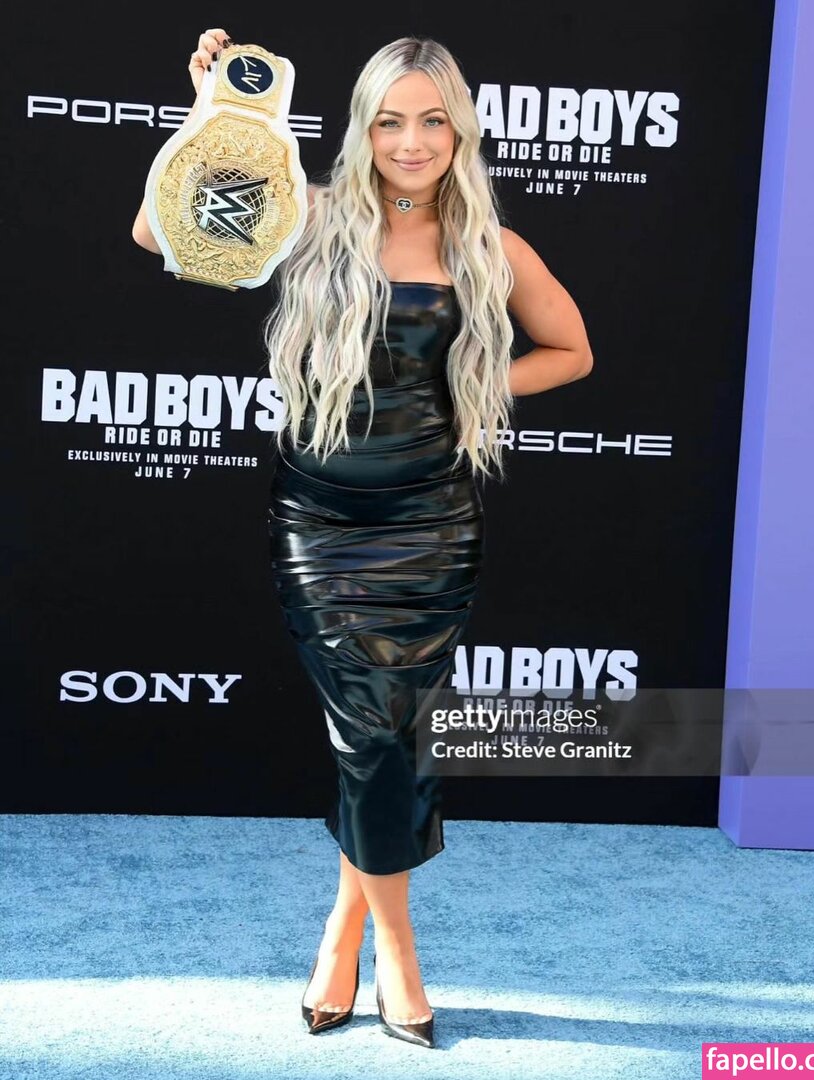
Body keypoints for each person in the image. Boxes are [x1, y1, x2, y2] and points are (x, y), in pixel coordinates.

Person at [133, 28, 593, 1050]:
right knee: (374, 734)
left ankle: (344, 938)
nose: (411, 141)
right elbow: (161, 234)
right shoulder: (312, 216)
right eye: (390, 121)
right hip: (321, 525)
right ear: (363, 129)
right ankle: (399, 952)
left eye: (432, 120)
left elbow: (572, 350)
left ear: (459, 129)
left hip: (430, 528)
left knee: (380, 737)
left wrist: (467, 386)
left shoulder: (489, 247)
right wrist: (216, 115)